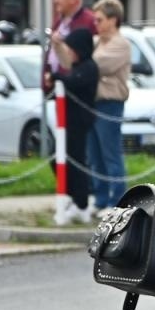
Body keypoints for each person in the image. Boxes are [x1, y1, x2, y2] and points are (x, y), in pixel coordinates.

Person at [49, 21, 98, 224]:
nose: (69, 53)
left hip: (79, 122)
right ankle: (71, 197)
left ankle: (82, 204)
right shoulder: (78, 67)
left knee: (76, 163)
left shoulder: (88, 67)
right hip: (69, 121)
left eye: (71, 49)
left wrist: (56, 76)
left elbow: (74, 82)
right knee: (59, 160)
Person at [87, 0, 130, 212]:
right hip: (92, 102)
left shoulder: (120, 44)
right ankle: (100, 197)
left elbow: (98, 65)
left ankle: (118, 200)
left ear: (113, 20)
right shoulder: (95, 42)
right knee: (94, 154)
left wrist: (83, 64)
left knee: (110, 153)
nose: (96, 24)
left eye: (100, 19)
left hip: (110, 102)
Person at [44, 0, 97, 92]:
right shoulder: (58, 22)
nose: (55, 1)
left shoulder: (89, 22)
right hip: (56, 88)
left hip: (75, 88)